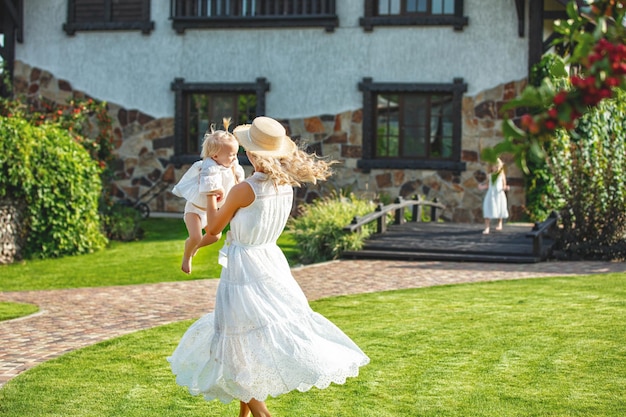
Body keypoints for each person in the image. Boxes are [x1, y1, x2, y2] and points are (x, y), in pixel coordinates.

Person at [168, 116, 369, 417]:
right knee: (247, 341)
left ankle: (263, 415)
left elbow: (212, 228)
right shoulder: (285, 186)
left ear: (250, 153)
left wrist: (211, 195)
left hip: (243, 270)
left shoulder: (243, 189)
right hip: (271, 265)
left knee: (232, 347)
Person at [171, 118, 245, 274]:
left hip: (210, 211)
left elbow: (236, 177)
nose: (234, 158)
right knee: (196, 236)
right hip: (195, 210)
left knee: (215, 236)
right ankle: (187, 255)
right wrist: (219, 190)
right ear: (215, 156)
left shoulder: (230, 166)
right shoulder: (207, 167)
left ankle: (195, 248)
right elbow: (210, 185)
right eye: (230, 155)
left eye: (235, 154)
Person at [479, 157, 510, 234]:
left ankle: (500, 223)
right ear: (491, 167)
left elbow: (504, 185)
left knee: (500, 208)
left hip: (499, 194)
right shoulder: (489, 175)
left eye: (498, 167)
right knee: (487, 208)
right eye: (495, 166)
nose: (496, 168)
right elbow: (488, 185)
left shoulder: (501, 175)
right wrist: (482, 187)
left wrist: (505, 187)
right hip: (491, 194)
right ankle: (487, 227)